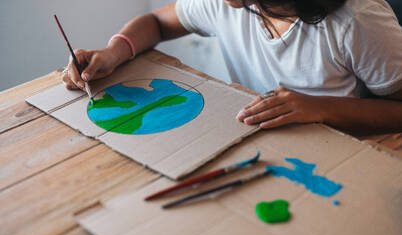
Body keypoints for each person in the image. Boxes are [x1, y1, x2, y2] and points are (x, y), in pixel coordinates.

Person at [62, 0, 402, 134]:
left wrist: (319, 107)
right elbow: (158, 22)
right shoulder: (229, 3)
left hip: (345, 151)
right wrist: (113, 51)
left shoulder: (357, 19)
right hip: (259, 139)